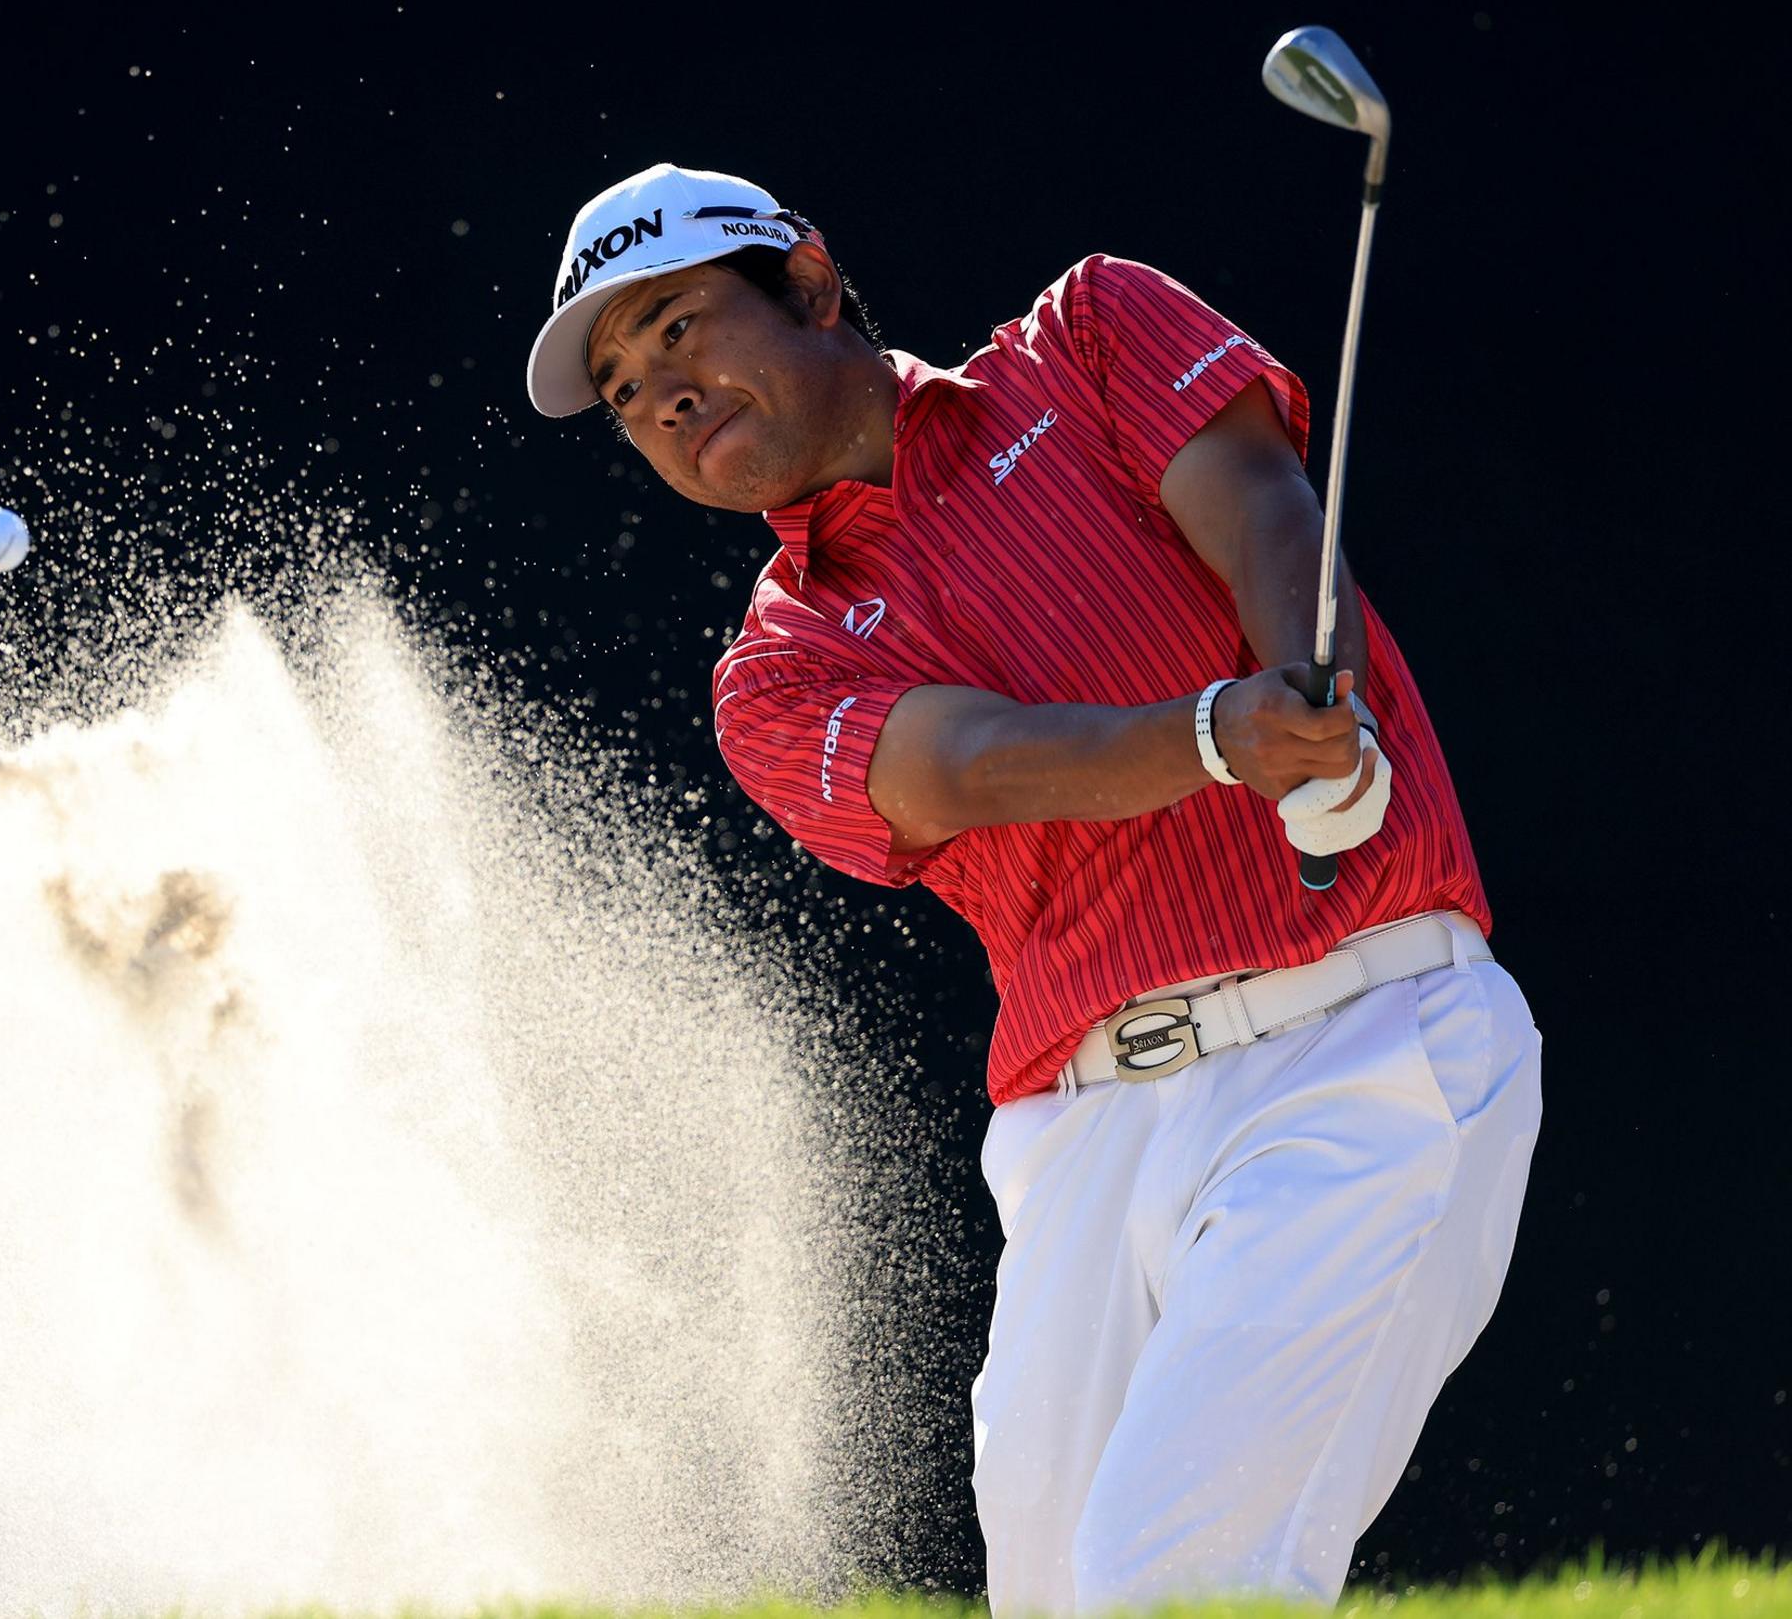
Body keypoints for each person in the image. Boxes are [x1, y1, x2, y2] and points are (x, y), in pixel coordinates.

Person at [523, 163, 1544, 1615]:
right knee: (1059, 1600)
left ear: (811, 283)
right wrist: (1219, 739)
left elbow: (1264, 519)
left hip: (1362, 1048)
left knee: (1169, 1580)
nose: (664, 398)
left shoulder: (1091, 334)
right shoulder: (773, 671)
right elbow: (976, 765)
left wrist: (1322, 720)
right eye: (625, 390)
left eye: (680, 327)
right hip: (1080, 1143)